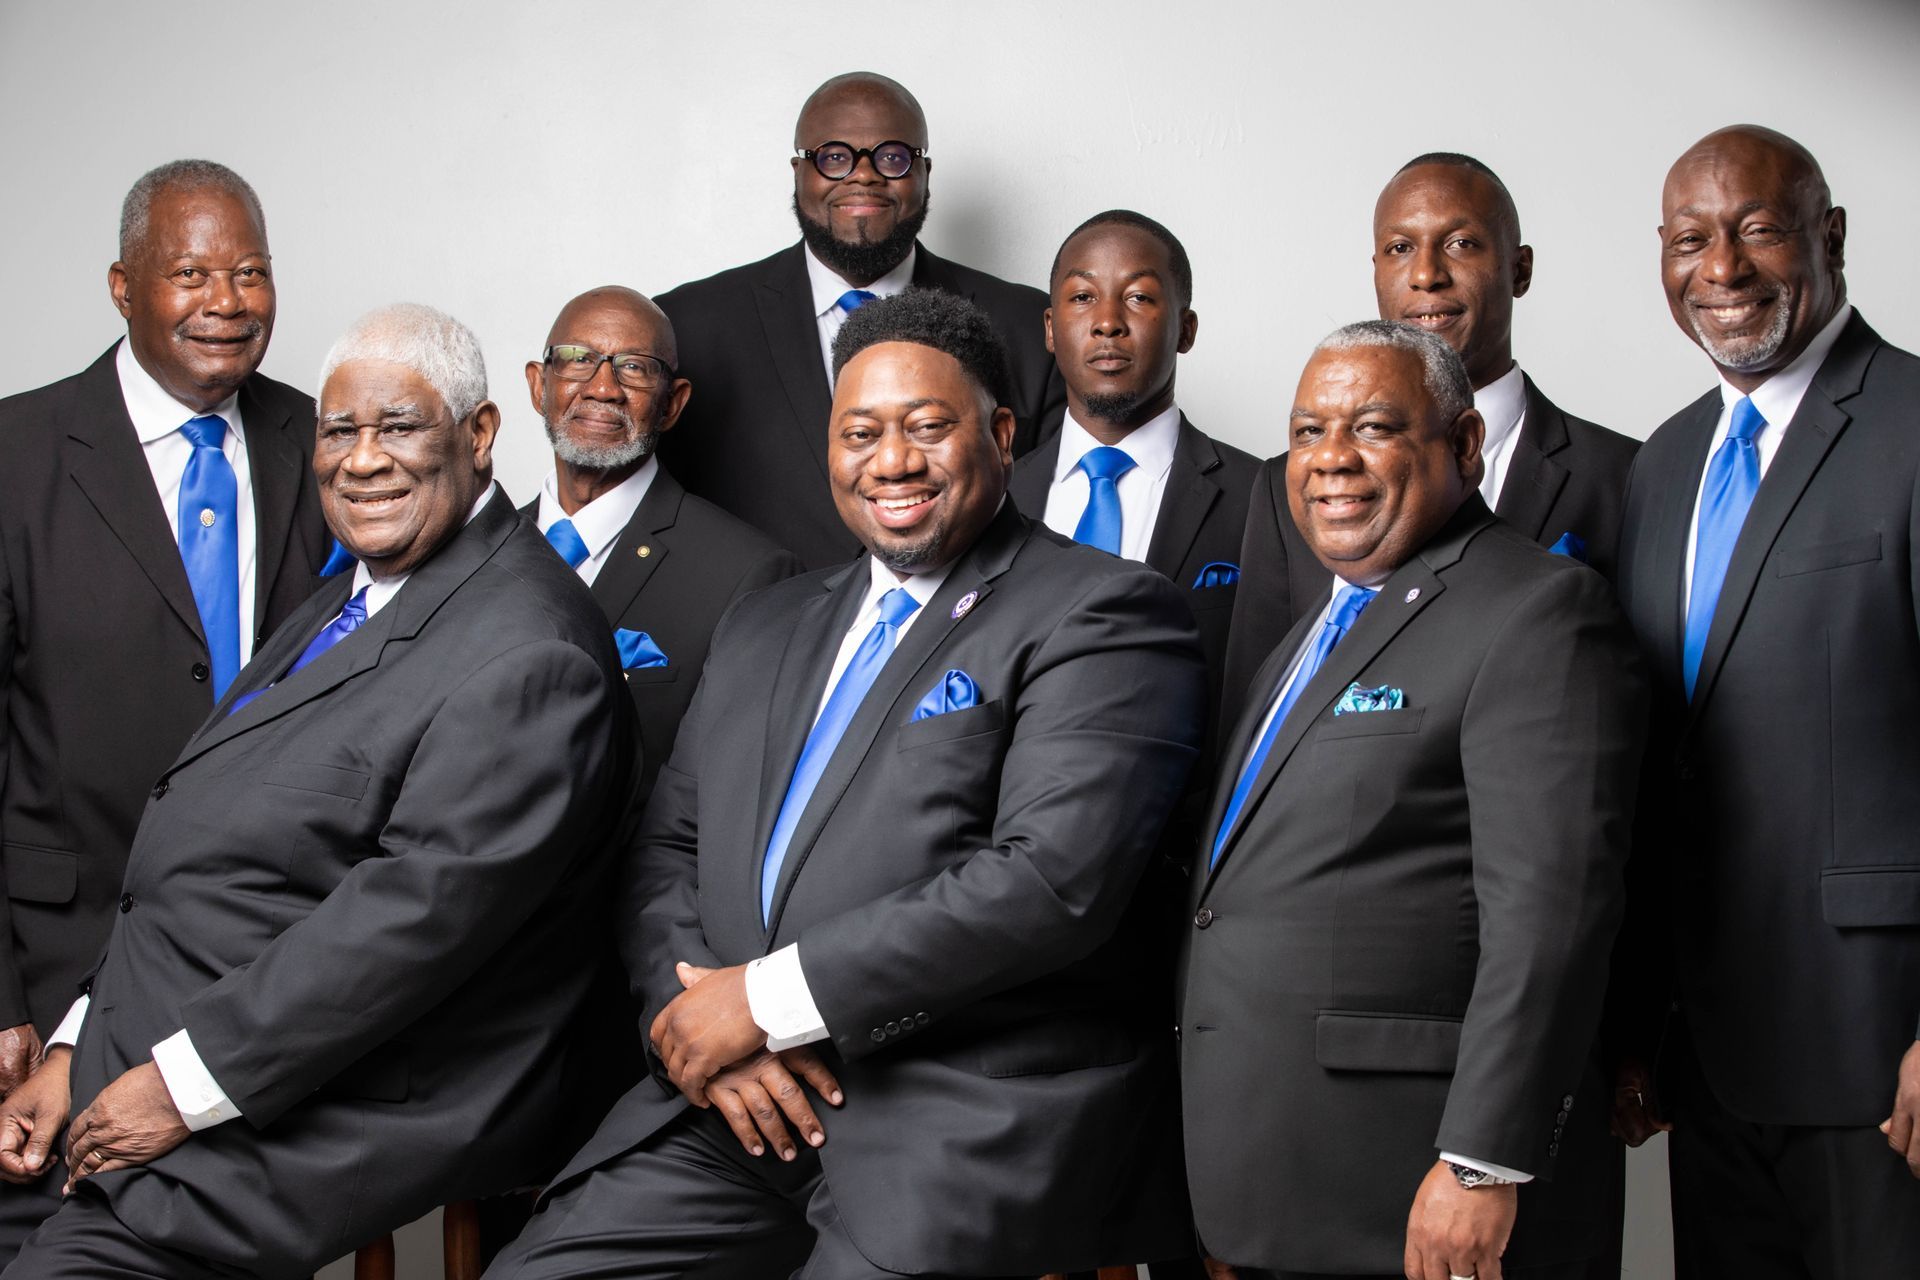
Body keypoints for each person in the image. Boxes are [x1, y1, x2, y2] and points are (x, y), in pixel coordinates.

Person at [487, 290, 1206, 1279]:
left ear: (1002, 436)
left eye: (928, 427)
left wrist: (766, 1000)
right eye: (860, 432)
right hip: (736, 1100)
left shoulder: (1106, 612)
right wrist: (702, 1025)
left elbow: (1049, 882)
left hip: (953, 1114)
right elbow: (666, 848)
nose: (892, 461)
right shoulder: (764, 621)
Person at [0, 303, 636, 1279]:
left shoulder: (529, 648)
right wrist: (75, 1047)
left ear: (479, 434)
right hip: (131, 1054)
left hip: (287, 1114)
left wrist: (176, 1088)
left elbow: (402, 929)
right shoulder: (361, 589)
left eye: (398, 426)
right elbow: (216, 857)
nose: (361, 460)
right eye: (339, 430)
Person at [1179, 321, 1646, 1280]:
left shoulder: (1538, 612)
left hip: (1413, 1180)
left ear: (1465, 445)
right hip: (1279, 1176)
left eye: (1373, 427)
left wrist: (1482, 1161)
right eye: (1307, 432)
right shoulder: (1319, 626)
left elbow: (1552, 914)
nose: (1330, 459)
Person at [0, 159, 327, 1259]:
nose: (226, 302)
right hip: (53, 957)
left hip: (255, 962)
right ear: (122, 287)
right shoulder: (17, 455)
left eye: (251, 272)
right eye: (191, 273)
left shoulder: (324, 443)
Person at [1608, 124, 1920, 1278]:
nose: (1723, 268)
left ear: (1829, 236)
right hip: (1710, 1059)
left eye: (1757, 230)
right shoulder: (1664, 464)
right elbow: (1663, 759)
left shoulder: (1914, 423)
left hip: (1881, 1052)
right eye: (1690, 239)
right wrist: (1637, 1018)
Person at [1222, 153, 1637, 715]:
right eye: (1400, 248)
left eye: (1461, 244)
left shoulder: (1626, 475)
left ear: (1520, 270)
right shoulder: (1290, 486)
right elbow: (1254, 705)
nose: (1425, 274)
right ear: (1375, 270)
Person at [655, 71, 1065, 570]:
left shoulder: (1026, 326)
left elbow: (1052, 509)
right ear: (798, 172)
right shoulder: (689, 326)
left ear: (924, 172)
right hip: (755, 613)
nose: (864, 175)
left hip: (974, 613)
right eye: (833, 157)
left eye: (893, 157)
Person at [525, 285, 800, 802]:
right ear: (539, 385)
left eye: (634, 367)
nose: (603, 388)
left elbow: (725, 796)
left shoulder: (749, 575)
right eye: (578, 359)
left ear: (672, 403)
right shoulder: (477, 549)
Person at [1010, 209, 1258, 720]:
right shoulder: (997, 497)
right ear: (1051, 329)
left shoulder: (1262, 496)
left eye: (1139, 297)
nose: (1108, 322)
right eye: (1083, 297)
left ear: (1186, 329)